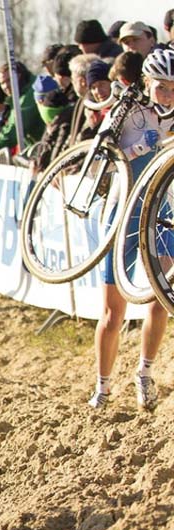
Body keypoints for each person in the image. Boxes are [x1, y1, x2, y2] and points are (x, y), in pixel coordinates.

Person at [88, 48, 174, 410]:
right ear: (146, 83)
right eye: (161, 87)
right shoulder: (128, 107)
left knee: (159, 299)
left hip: (162, 211)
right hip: (123, 209)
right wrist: (141, 145)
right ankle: (103, 387)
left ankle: (144, 373)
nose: (167, 95)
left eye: (173, 87)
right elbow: (100, 151)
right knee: (112, 311)